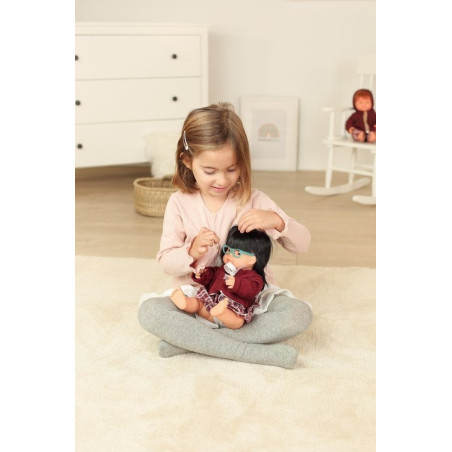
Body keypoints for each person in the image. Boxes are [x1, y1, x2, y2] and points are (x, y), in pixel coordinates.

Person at [138, 102, 312, 369]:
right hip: (197, 300)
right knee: (150, 312)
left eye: (232, 169)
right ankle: (249, 350)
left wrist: (276, 221)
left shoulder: (254, 200)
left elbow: (303, 244)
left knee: (299, 314)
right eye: (210, 171)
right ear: (187, 161)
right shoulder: (179, 203)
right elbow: (166, 263)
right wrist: (191, 252)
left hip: (248, 303)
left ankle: (191, 343)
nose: (222, 180)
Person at [170, 226, 272, 329]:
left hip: (231, 310)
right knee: (198, 303)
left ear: (252, 260)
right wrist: (203, 274)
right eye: (228, 250)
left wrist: (237, 284)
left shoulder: (254, 277)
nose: (229, 255)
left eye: (237, 253)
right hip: (210, 305)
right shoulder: (223, 269)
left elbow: (252, 290)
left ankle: (221, 313)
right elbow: (212, 276)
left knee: (239, 322)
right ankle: (185, 303)